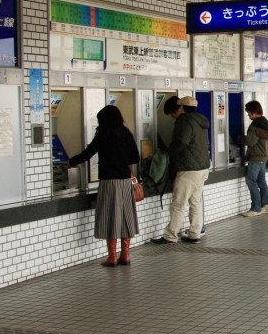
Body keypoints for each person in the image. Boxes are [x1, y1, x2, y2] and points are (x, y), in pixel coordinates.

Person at [68, 105, 140, 267]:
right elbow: (135, 157)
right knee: (126, 217)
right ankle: (126, 256)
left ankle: (112, 257)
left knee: (111, 217)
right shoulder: (126, 134)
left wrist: (71, 162)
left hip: (109, 182)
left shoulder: (103, 135)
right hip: (125, 182)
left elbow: (88, 154)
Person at [151, 95, 211, 244]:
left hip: (188, 169)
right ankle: (194, 233)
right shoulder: (200, 120)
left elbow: (181, 143)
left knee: (178, 204)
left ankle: (170, 235)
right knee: (195, 202)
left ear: (181, 108)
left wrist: (167, 154)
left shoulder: (185, 121)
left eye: (173, 112)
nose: (172, 116)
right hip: (202, 167)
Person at [242, 100, 268, 217]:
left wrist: (241, 138)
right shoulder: (266, 123)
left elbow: (251, 142)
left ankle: (255, 208)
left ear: (253, 112)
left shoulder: (255, 125)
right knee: (261, 181)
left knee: (251, 180)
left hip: (256, 157)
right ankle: (266, 205)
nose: (247, 115)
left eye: (248, 112)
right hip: (265, 156)